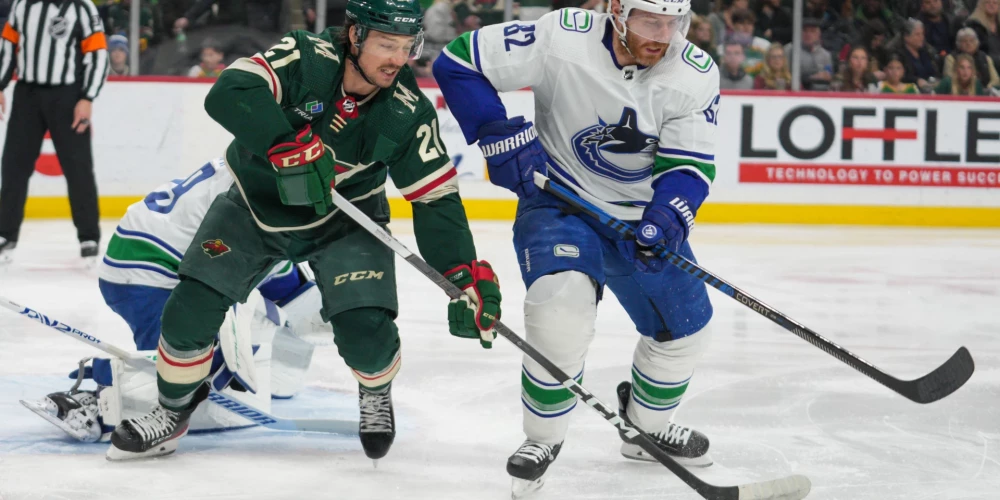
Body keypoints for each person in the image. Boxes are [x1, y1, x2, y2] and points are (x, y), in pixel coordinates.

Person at [107, 0, 503, 462]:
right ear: (355, 37)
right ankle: (172, 411)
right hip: (254, 206)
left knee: (366, 334)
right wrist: (283, 143)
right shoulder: (307, 58)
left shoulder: (407, 110)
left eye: (406, 46)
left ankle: (375, 392)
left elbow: (435, 199)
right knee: (188, 311)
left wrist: (460, 273)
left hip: (347, 220)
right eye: (385, 44)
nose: (398, 58)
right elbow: (229, 90)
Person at [434, 0, 718, 495]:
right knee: (560, 310)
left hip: (635, 220)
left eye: (675, 22)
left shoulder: (694, 73)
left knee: (685, 330)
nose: (665, 34)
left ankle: (645, 429)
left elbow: (689, 169)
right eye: (651, 20)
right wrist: (497, 134)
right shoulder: (562, 37)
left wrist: (668, 216)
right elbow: (457, 61)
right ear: (617, 12)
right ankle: (542, 439)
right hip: (557, 204)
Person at [20, 160, 326, 443]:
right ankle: (101, 396)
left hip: (166, 250)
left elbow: (295, 294)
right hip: (146, 271)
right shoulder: (261, 199)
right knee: (191, 376)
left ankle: (279, 378)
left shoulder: (266, 168)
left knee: (277, 311)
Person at [0, 0, 109, 263]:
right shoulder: (23, 5)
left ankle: (88, 236)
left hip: (67, 97)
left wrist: (87, 97)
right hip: (27, 94)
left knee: (78, 167)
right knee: (14, 165)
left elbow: (97, 54)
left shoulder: (82, 8)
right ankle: (6, 233)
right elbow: (8, 46)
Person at [785, 18, 834, 90]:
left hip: (822, 94)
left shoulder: (825, 55)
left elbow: (829, 76)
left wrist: (828, 76)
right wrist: (811, 78)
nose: (808, 34)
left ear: (818, 34)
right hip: (797, 93)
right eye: (805, 31)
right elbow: (785, 75)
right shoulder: (789, 50)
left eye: (812, 31)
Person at [896, 18, 940, 92]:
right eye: (917, 34)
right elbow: (900, 76)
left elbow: (934, 72)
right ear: (906, 37)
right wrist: (916, 80)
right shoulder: (899, 56)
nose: (922, 38)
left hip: (931, 88)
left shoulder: (926, 52)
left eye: (922, 34)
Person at [964, 0, 1000, 67]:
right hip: (985, 62)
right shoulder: (974, 24)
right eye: (988, 2)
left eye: (995, 3)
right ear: (982, 5)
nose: (991, 5)